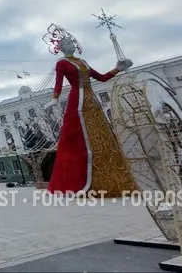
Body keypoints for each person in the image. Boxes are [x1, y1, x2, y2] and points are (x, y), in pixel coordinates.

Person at [43, 24, 135, 197]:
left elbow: (101, 77)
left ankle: (107, 174)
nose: (71, 43)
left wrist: (117, 69)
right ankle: (77, 180)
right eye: (67, 42)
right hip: (76, 100)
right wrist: (54, 99)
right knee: (77, 135)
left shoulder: (83, 62)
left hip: (91, 99)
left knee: (98, 133)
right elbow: (58, 82)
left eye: (72, 41)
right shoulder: (62, 63)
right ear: (60, 47)